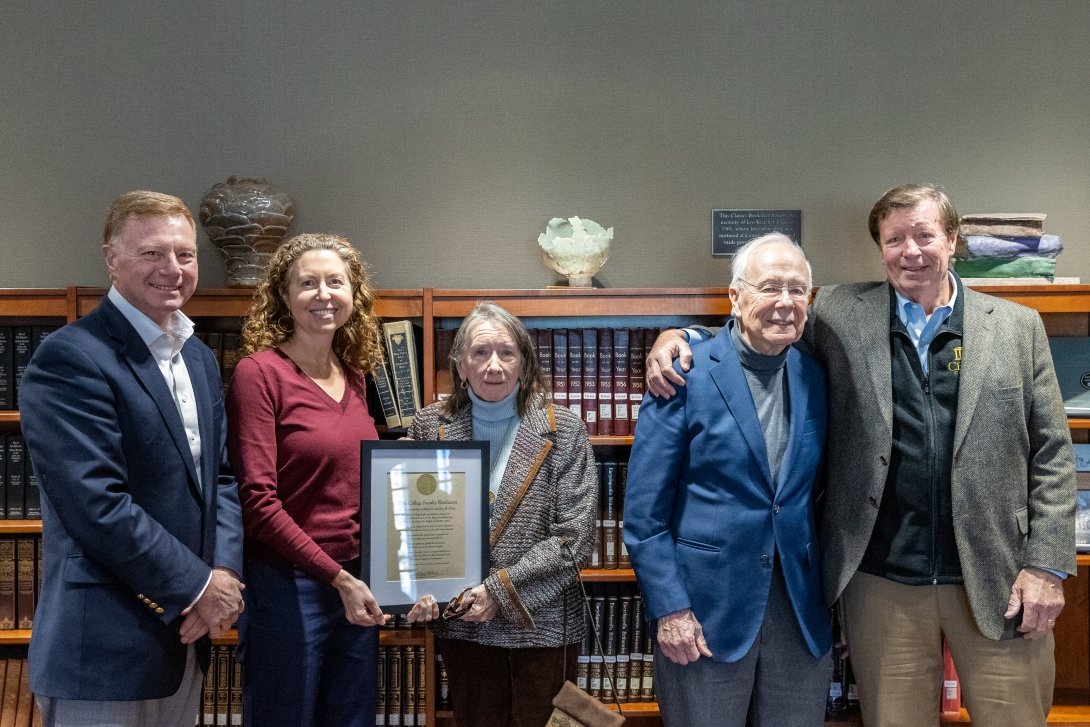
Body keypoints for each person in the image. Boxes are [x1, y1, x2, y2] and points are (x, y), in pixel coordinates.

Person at [646, 183, 1077, 727]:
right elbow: (763, 328)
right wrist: (681, 337)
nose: (910, 251)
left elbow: (1053, 454)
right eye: (895, 239)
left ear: (952, 239)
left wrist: (1046, 566)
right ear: (880, 248)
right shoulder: (840, 312)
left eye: (924, 235)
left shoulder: (1017, 327)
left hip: (1001, 575)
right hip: (882, 584)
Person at [19, 190, 245, 727]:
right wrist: (198, 587)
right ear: (111, 259)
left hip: (184, 641)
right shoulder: (70, 357)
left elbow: (221, 479)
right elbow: (96, 504)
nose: (172, 269)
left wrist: (223, 575)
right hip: (103, 649)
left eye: (184, 254)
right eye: (151, 253)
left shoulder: (198, 357)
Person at [624, 234, 830, 726]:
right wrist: (671, 610)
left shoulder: (816, 375)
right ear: (735, 296)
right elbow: (644, 516)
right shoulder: (682, 374)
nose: (785, 302)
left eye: (797, 289)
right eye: (770, 287)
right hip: (702, 616)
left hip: (799, 612)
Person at [404, 301, 598, 727]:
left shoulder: (564, 429)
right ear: (460, 365)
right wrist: (416, 583)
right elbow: (412, 525)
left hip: (543, 628)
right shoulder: (429, 427)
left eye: (507, 352)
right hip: (465, 628)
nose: (494, 365)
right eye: (480, 352)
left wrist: (498, 591)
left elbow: (575, 539)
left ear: (524, 362)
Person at [226, 233, 390, 727]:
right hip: (287, 585)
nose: (324, 294)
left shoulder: (355, 374)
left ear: (353, 293)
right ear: (284, 295)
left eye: (335, 282)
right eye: (308, 283)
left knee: (352, 718)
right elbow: (257, 503)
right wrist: (337, 577)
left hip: (355, 580)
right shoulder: (259, 375)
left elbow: (358, 480)